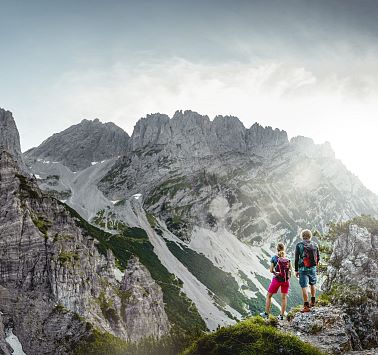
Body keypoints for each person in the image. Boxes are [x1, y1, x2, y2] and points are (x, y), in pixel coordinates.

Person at [260, 243, 291, 320]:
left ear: (277, 249)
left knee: (269, 296)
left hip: (276, 280)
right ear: (284, 249)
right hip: (285, 281)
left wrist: (276, 273)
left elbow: (271, 270)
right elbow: (290, 271)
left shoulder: (274, 258)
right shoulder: (287, 259)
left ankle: (266, 314)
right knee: (284, 298)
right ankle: (281, 316)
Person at [295, 229, 320, 313]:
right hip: (312, 268)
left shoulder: (299, 245)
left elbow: (296, 259)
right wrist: (315, 267)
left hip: (303, 269)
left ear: (302, 236)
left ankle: (306, 306)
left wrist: (296, 270)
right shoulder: (315, 244)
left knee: (304, 287)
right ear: (310, 236)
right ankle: (313, 301)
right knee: (313, 284)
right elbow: (318, 258)